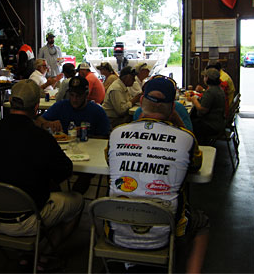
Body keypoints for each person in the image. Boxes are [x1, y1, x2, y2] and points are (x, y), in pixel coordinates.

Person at [107, 77, 209, 274]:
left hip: (116, 230)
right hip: (164, 231)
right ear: (172, 107)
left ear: (141, 101)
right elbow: (195, 165)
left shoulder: (117, 134)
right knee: (202, 222)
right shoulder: (186, 138)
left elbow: (111, 161)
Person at [0, 79, 83, 267]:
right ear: (36, 107)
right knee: (76, 201)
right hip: (25, 219)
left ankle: (25, 252)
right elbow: (65, 170)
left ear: (11, 102)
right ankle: (42, 254)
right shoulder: (41, 137)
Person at [37, 76, 110, 137]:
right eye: (72, 95)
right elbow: (37, 121)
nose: (74, 99)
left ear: (86, 94)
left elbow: (105, 136)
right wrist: (47, 124)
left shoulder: (97, 111)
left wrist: (85, 133)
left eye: (78, 96)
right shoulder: (61, 106)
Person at [190, 68, 226, 144]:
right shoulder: (218, 89)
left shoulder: (210, 92)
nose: (204, 78)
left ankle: (196, 145)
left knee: (189, 123)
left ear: (207, 78)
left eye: (205, 77)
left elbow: (202, 110)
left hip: (211, 125)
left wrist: (194, 100)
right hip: (219, 122)